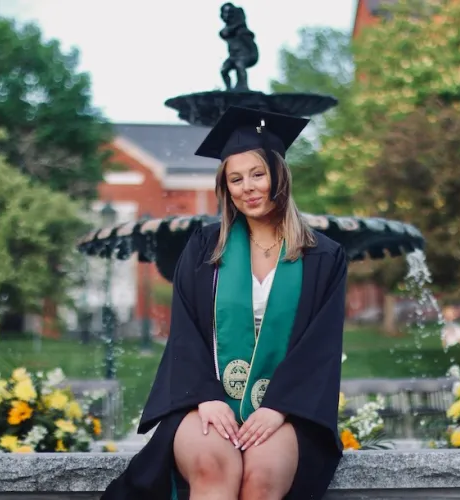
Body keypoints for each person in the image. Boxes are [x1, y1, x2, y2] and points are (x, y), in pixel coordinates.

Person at [101, 106, 348, 500]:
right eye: (235, 178)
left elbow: (321, 346)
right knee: (214, 466)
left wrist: (278, 407)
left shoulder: (323, 256)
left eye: (257, 174)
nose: (247, 187)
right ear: (225, 186)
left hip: (287, 408)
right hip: (207, 401)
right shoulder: (204, 247)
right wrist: (206, 396)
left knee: (263, 478)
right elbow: (185, 333)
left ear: (279, 176)